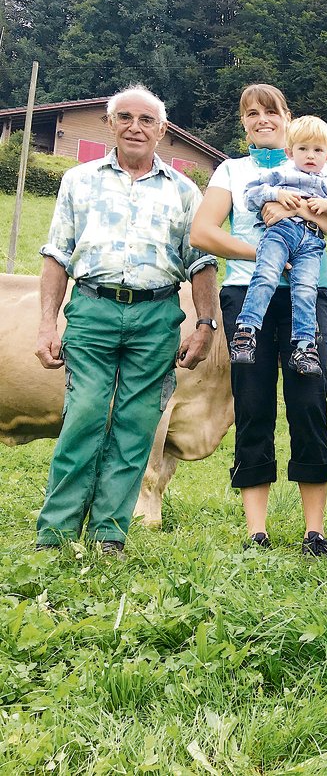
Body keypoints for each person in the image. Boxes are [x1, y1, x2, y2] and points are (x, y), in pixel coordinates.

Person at [34, 84, 218, 556]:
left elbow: (201, 262)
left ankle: (109, 534)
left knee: (136, 427)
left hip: (157, 314)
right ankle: (54, 534)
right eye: (125, 117)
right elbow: (57, 255)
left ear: (162, 129)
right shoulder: (78, 180)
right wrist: (46, 324)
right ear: (110, 123)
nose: (136, 127)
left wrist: (205, 324)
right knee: (84, 416)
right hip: (92, 309)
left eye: (146, 120)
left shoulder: (184, 191)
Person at [189, 84, 327, 556]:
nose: (261, 119)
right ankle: (256, 532)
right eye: (251, 113)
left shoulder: (313, 162)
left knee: (309, 402)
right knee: (253, 403)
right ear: (243, 122)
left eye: (271, 111)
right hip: (248, 293)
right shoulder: (231, 169)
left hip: (308, 293)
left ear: (287, 117)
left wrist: (298, 208)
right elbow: (203, 232)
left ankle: (314, 532)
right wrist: (264, 254)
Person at [230, 115, 327, 376]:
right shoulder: (280, 174)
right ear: (290, 152)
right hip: (280, 234)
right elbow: (250, 196)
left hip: (311, 242)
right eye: (303, 149)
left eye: (318, 150)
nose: (310, 155)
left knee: (305, 290)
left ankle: (304, 347)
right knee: (266, 275)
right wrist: (276, 194)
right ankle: (245, 331)